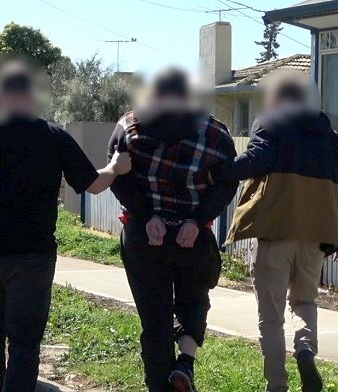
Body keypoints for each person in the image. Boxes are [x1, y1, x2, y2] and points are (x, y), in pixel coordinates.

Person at [0, 58, 132, 392]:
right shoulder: (52, 136)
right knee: (25, 344)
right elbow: (93, 184)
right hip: (33, 256)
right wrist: (116, 165)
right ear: (31, 97)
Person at [221, 72, 338, 392]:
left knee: (271, 317)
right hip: (314, 237)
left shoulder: (271, 123)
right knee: (304, 302)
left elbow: (255, 161)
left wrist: (217, 170)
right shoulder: (328, 134)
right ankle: (306, 351)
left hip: (274, 234)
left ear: (277, 98)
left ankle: (277, 386)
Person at [108, 68, 238, 392]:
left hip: (143, 236)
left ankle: (158, 386)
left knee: (155, 322)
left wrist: (146, 214)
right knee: (195, 302)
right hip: (192, 237)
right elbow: (226, 182)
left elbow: (117, 176)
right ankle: (185, 363)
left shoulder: (129, 126)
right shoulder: (215, 132)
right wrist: (197, 219)